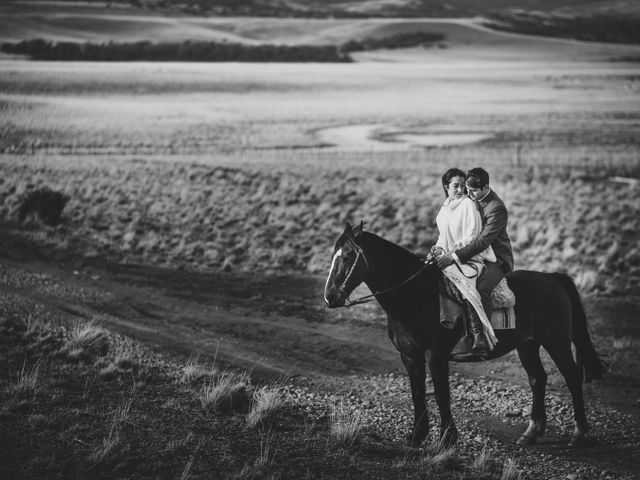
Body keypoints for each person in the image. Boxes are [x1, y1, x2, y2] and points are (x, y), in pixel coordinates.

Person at [436, 167, 514, 356]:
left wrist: (453, 256)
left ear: (486, 187)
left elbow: (481, 241)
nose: (467, 193)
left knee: (482, 288)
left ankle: (483, 338)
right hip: (471, 254)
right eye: (465, 188)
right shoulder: (469, 200)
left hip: (495, 259)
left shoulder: (496, 208)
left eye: (472, 190)